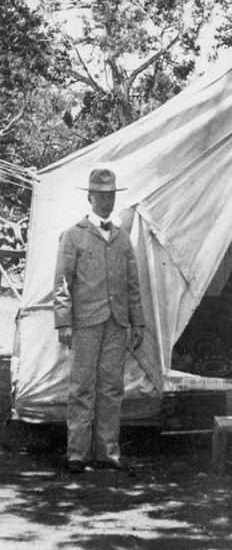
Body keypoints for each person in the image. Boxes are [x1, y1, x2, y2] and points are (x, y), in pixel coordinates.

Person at [53, 168, 145, 474]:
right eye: (100, 195)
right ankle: (77, 453)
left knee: (111, 388)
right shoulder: (73, 235)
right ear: (90, 197)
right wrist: (63, 322)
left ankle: (107, 452)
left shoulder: (121, 239)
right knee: (81, 387)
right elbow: (63, 283)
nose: (105, 201)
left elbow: (133, 284)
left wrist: (138, 322)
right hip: (85, 323)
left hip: (117, 323)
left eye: (110, 196)